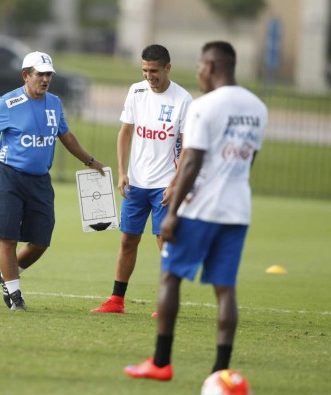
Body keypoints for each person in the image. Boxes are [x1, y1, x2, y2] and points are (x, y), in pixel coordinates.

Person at [124, 41, 267, 381]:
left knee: (170, 276)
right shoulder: (258, 107)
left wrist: (173, 213)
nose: (199, 73)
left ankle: (160, 362)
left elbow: (192, 162)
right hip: (237, 210)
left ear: (212, 66)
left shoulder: (204, 106)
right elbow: (249, 161)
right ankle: (221, 370)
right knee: (225, 289)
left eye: (201, 66)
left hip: (201, 209)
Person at [0, 51, 105, 311]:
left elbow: (66, 136)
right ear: (26, 75)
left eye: (48, 75)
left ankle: (8, 273)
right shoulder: (8, 103)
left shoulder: (55, 103)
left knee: (41, 241)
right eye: (40, 74)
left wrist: (91, 162)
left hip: (40, 181)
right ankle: (15, 295)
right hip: (10, 178)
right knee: (8, 238)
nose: (45, 79)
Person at [91, 44, 192, 315]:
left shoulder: (183, 99)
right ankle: (116, 300)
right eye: (145, 70)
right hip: (136, 183)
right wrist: (123, 172)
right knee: (127, 240)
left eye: (155, 71)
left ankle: (167, 303)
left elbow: (187, 146)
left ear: (167, 68)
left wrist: (174, 183)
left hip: (165, 184)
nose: (149, 76)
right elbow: (125, 133)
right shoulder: (136, 91)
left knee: (163, 242)